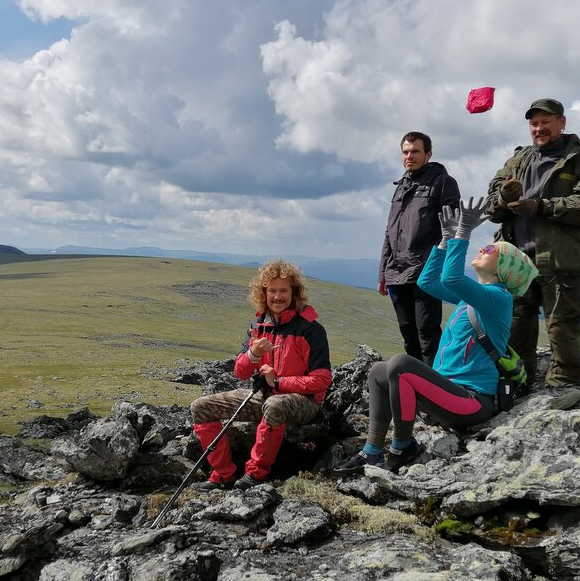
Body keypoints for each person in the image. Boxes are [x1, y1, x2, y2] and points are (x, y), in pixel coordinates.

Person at [335, 198, 537, 473]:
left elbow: (452, 279)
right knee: (378, 372)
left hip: (472, 401)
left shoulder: (498, 298)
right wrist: (444, 240)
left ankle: (402, 446)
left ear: (505, 267)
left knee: (400, 364)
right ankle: (371, 452)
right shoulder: (473, 300)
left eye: (489, 248)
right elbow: (428, 282)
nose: (482, 248)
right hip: (447, 390)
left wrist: (462, 233)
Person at [484, 98, 580, 387]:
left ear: (561, 123)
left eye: (545, 122)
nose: (539, 129)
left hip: (561, 261)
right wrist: (503, 198)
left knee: (562, 328)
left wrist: (541, 207)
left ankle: (563, 390)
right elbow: (491, 209)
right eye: (534, 123)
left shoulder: (578, 160)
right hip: (517, 263)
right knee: (515, 327)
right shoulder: (517, 161)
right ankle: (516, 385)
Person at [190, 260, 332, 489]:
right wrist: (254, 354)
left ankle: (256, 475)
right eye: (272, 291)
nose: (277, 297)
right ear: (263, 293)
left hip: (303, 402)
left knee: (275, 405)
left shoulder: (311, 329)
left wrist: (278, 381)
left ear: (294, 293)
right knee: (201, 407)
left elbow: (322, 381)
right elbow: (240, 371)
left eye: (283, 291)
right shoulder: (258, 326)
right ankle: (223, 474)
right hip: (263, 395)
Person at [379, 132, 461, 363]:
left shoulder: (443, 182)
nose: (409, 156)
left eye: (415, 151)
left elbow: (451, 228)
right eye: (405, 152)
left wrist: (443, 267)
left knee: (428, 333)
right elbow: (390, 232)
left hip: (426, 271)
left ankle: (437, 387)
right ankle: (415, 386)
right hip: (396, 273)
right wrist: (382, 273)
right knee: (408, 334)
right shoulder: (401, 185)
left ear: (428, 154)